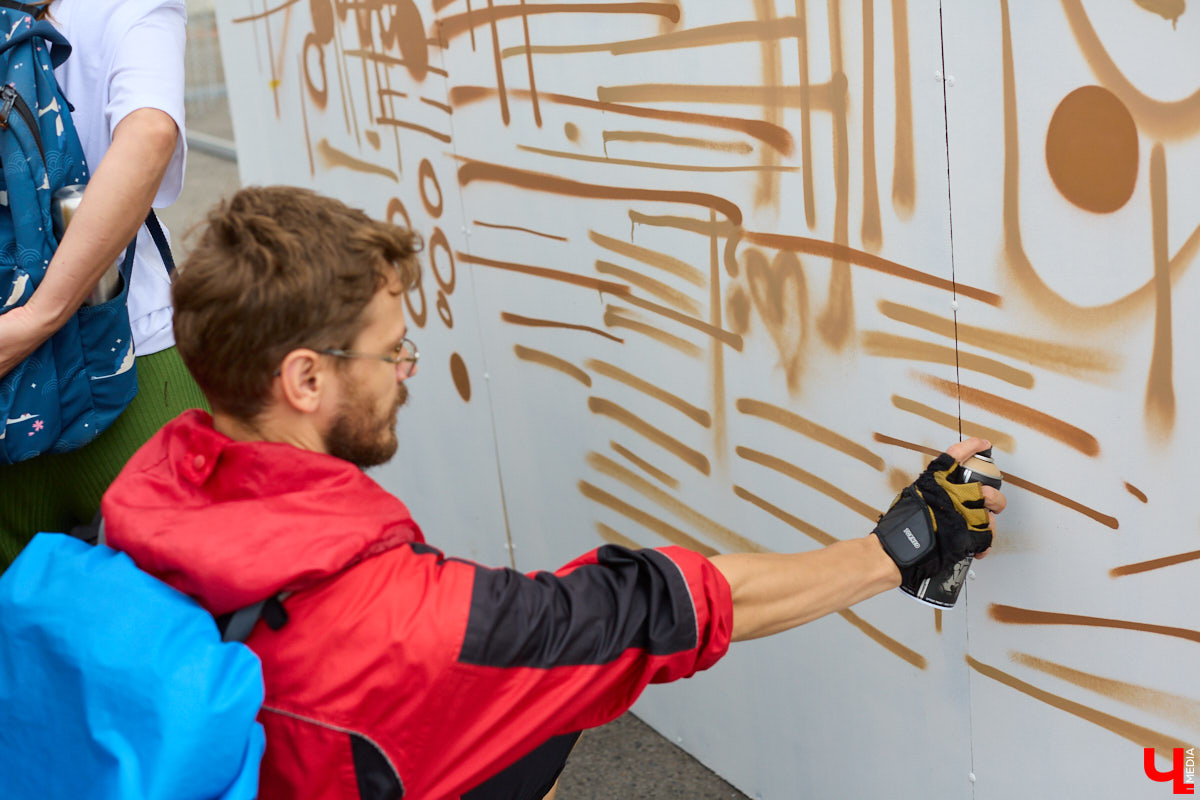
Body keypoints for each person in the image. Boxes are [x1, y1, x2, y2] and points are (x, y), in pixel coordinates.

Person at [101, 186, 1007, 799]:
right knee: (569, 679)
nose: (407, 371)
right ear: (303, 379)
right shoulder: (401, 626)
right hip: (345, 738)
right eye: (390, 351)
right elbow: (654, 610)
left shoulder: (148, 496)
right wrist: (905, 541)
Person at [0, 0, 205, 567]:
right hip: (129, 355)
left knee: (17, 633)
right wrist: (40, 316)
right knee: (192, 597)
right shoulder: (123, 7)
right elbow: (149, 132)